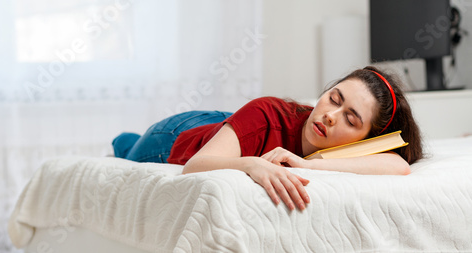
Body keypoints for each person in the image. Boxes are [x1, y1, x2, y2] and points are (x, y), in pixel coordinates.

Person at [112, 66, 422, 211]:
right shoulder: (268, 113)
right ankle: (123, 140)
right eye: (334, 98)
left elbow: (398, 165)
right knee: (127, 147)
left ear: (364, 140)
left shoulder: (345, 149)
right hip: (178, 134)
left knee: (236, 126)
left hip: (233, 125)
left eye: (350, 119)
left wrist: (306, 165)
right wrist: (252, 165)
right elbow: (194, 166)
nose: (330, 115)